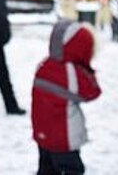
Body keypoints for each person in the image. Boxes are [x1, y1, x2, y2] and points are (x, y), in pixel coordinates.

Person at [31, 20, 101, 175]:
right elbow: (93, 92)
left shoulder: (44, 65)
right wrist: (87, 69)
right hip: (64, 139)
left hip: (43, 134)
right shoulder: (72, 72)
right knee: (72, 170)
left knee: (46, 169)